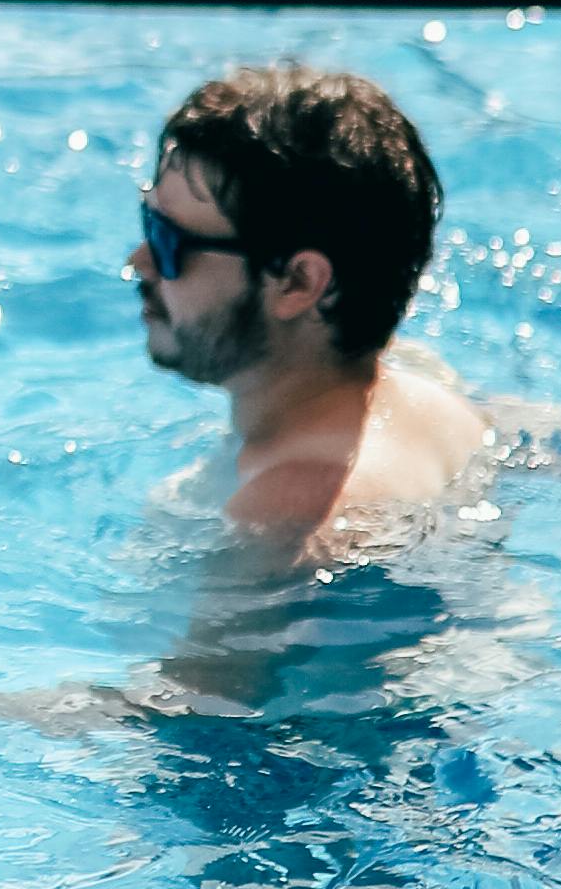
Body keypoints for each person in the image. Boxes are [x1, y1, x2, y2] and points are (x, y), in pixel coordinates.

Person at [133, 62, 489, 569]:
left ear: (299, 284)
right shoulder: (430, 388)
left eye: (170, 242)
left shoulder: (289, 518)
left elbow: (210, 653)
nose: (138, 260)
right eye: (149, 221)